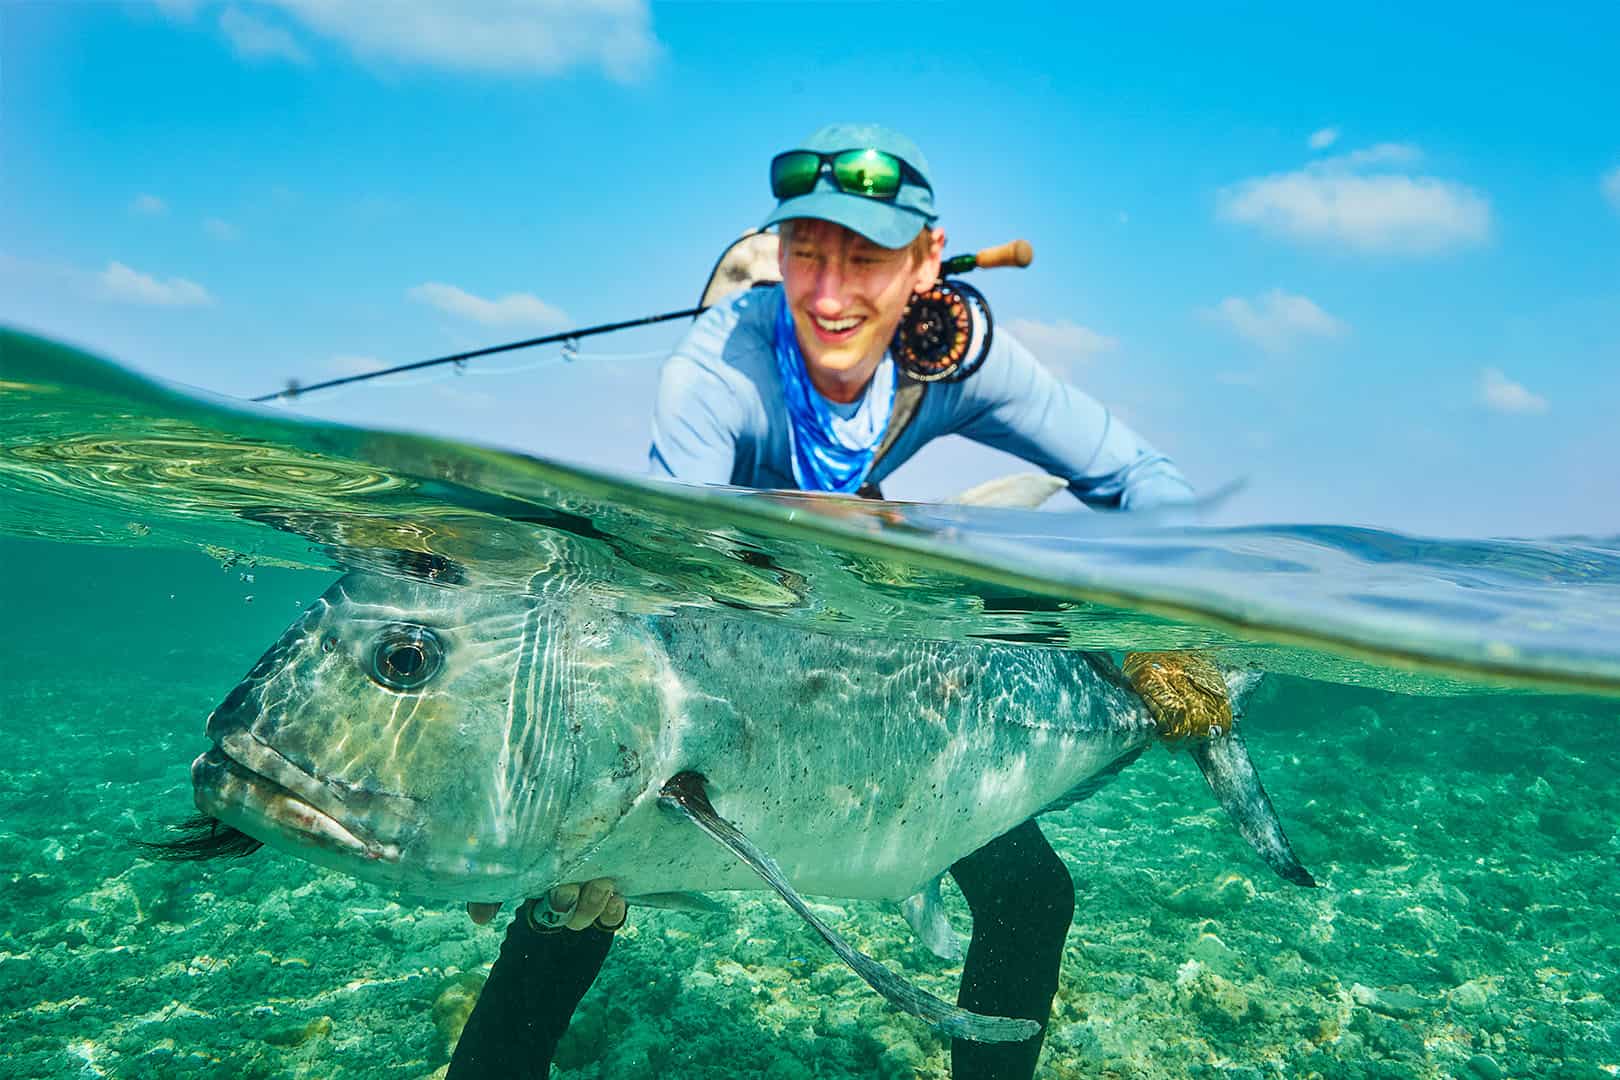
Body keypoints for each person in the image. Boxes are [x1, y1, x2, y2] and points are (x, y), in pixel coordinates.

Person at [448, 122, 1223, 1080]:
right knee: (581, 869)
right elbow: (659, 591)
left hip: (853, 619)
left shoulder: (961, 358)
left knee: (1031, 894)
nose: (828, 293)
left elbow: (1141, 478)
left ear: (926, 262)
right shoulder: (716, 371)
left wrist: (1168, 625)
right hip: (713, 632)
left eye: (866, 257)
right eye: (806, 254)